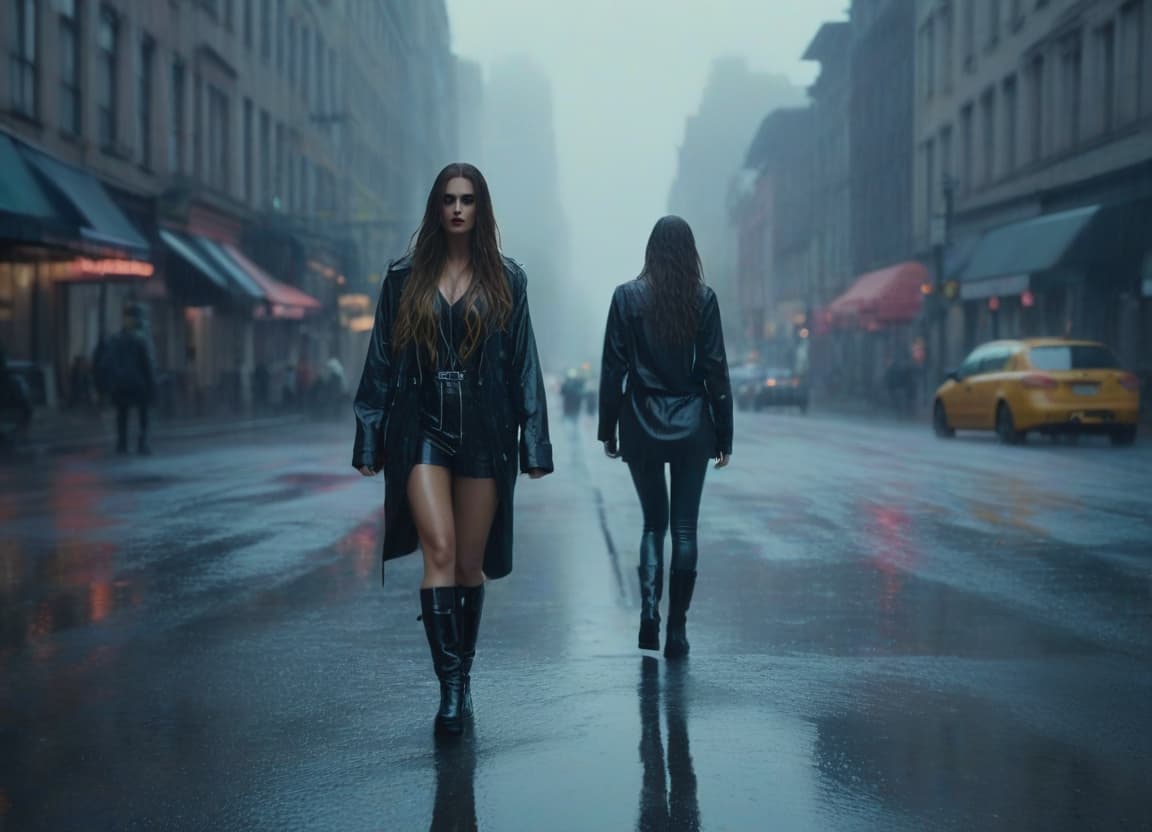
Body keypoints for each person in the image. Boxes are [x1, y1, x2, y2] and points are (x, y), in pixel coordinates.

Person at [352, 162, 553, 736]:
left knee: (469, 563)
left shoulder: (508, 281)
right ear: (436, 207)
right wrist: (370, 433)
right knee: (437, 549)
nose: (458, 208)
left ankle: (464, 671)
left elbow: (524, 366)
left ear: (481, 208)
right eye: (448, 199)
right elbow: (381, 364)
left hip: (486, 432)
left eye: (467, 199)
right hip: (420, 428)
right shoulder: (402, 278)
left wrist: (534, 443)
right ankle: (449, 687)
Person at [598, 215, 733, 659]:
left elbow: (613, 370)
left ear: (650, 250)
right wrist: (725, 435)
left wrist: (608, 429)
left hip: (641, 419)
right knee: (685, 528)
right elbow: (715, 370)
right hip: (693, 423)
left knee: (653, 524)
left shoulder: (626, 298)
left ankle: (648, 617)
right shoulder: (703, 299)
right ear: (690, 251)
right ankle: (677, 629)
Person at [94, 303, 158, 455]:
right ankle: (142, 444)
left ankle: (122, 444)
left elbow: (105, 363)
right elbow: (147, 365)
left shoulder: (116, 339)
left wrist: (107, 384)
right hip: (139, 384)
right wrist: (152, 385)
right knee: (143, 415)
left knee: (122, 415)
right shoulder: (141, 340)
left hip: (121, 383)